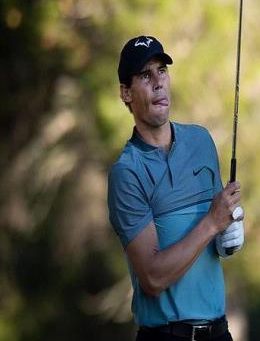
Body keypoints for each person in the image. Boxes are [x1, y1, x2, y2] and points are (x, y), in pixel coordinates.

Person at [107, 35, 244, 341]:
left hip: (219, 332)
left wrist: (229, 233)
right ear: (126, 93)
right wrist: (212, 223)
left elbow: (216, 228)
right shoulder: (127, 173)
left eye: (162, 71)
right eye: (145, 75)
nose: (158, 82)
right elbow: (153, 278)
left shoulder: (201, 140)